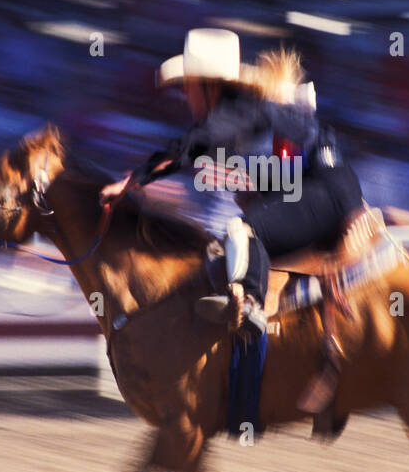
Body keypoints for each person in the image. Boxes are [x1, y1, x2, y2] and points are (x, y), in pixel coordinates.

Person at [101, 28, 364, 337]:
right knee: (243, 238)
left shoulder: (236, 112)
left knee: (243, 231)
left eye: (188, 87)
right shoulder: (251, 113)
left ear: (209, 87)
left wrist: (131, 181)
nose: (185, 95)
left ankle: (250, 304)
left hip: (326, 195)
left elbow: (187, 148)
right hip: (331, 191)